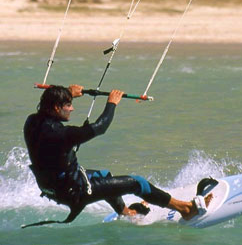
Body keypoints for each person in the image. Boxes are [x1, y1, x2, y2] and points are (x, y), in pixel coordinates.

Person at [23, 84, 213, 228]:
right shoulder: (62, 135)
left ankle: (125, 212)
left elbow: (49, 110)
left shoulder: (32, 121)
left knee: (104, 175)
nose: (72, 108)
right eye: (68, 105)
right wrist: (111, 104)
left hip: (53, 188)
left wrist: (68, 94)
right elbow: (100, 128)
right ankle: (186, 209)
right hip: (75, 192)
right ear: (57, 108)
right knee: (136, 183)